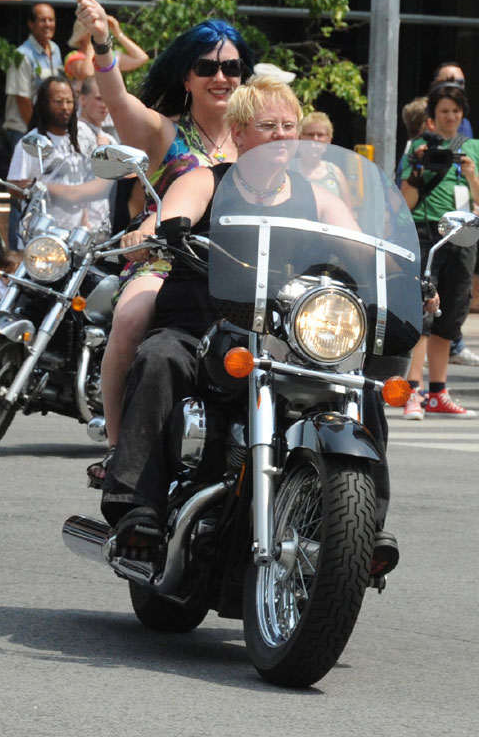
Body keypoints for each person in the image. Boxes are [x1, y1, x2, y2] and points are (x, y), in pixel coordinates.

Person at [97, 75, 401, 578]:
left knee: (358, 385)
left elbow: (358, 244)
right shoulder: (206, 180)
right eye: (268, 126)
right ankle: (137, 506)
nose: (283, 136)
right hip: (204, 325)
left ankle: (365, 526)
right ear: (238, 133)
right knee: (159, 357)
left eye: (289, 126)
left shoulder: (317, 196)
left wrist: (398, 269)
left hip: (289, 337)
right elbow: (174, 212)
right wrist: (166, 228)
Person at [76, 0, 256, 452]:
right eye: (208, 67)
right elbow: (117, 99)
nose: (222, 77)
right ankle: (119, 451)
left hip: (246, 268)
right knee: (132, 317)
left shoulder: (258, 141)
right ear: (187, 77)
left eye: (232, 68)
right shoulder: (164, 131)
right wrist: (101, 42)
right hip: (165, 260)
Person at [397, 83, 479, 419]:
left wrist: (469, 174)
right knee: (422, 311)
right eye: (443, 112)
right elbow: (406, 202)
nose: (450, 117)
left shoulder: (477, 147)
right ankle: (413, 392)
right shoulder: (419, 146)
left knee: (450, 313)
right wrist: (421, 170)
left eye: (455, 111)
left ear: (462, 114)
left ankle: (438, 391)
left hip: (462, 232)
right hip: (427, 233)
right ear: (432, 119)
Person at [6, 76, 109, 233]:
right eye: (58, 102)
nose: (65, 107)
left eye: (69, 102)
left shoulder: (84, 135)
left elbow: (92, 178)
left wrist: (83, 215)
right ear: (44, 104)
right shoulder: (31, 142)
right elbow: (14, 185)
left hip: (74, 236)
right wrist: (46, 190)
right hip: (40, 236)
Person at [3, 3, 63, 151]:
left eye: (51, 20)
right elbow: (22, 99)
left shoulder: (55, 49)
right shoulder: (22, 55)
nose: (48, 24)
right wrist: (37, 133)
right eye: (43, 20)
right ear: (31, 24)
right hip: (24, 131)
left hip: (48, 132)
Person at [297, 111, 352, 203]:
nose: (315, 139)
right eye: (310, 134)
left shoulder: (335, 173)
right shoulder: (288, 170)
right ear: (301, 137)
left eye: (320, 135)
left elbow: (347, 212)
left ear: (329, 140)